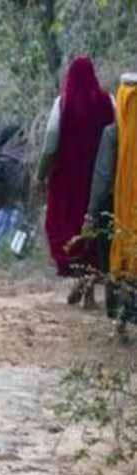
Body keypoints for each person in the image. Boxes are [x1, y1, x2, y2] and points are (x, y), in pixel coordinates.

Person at [37, 56, 114, 307]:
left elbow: (50, 143)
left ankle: (81, 283)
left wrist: (42, 174)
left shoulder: (63, 104)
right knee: (93, 230)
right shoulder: (108, 102)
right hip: (99, 181)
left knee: (68, 230)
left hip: (67, 183)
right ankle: (87, 287)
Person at [87, 72, 137, 335]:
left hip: (116, 209)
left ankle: (121, 318)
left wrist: (92, 211)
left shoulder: (112, 133)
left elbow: (104, 174)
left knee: (116, 258)